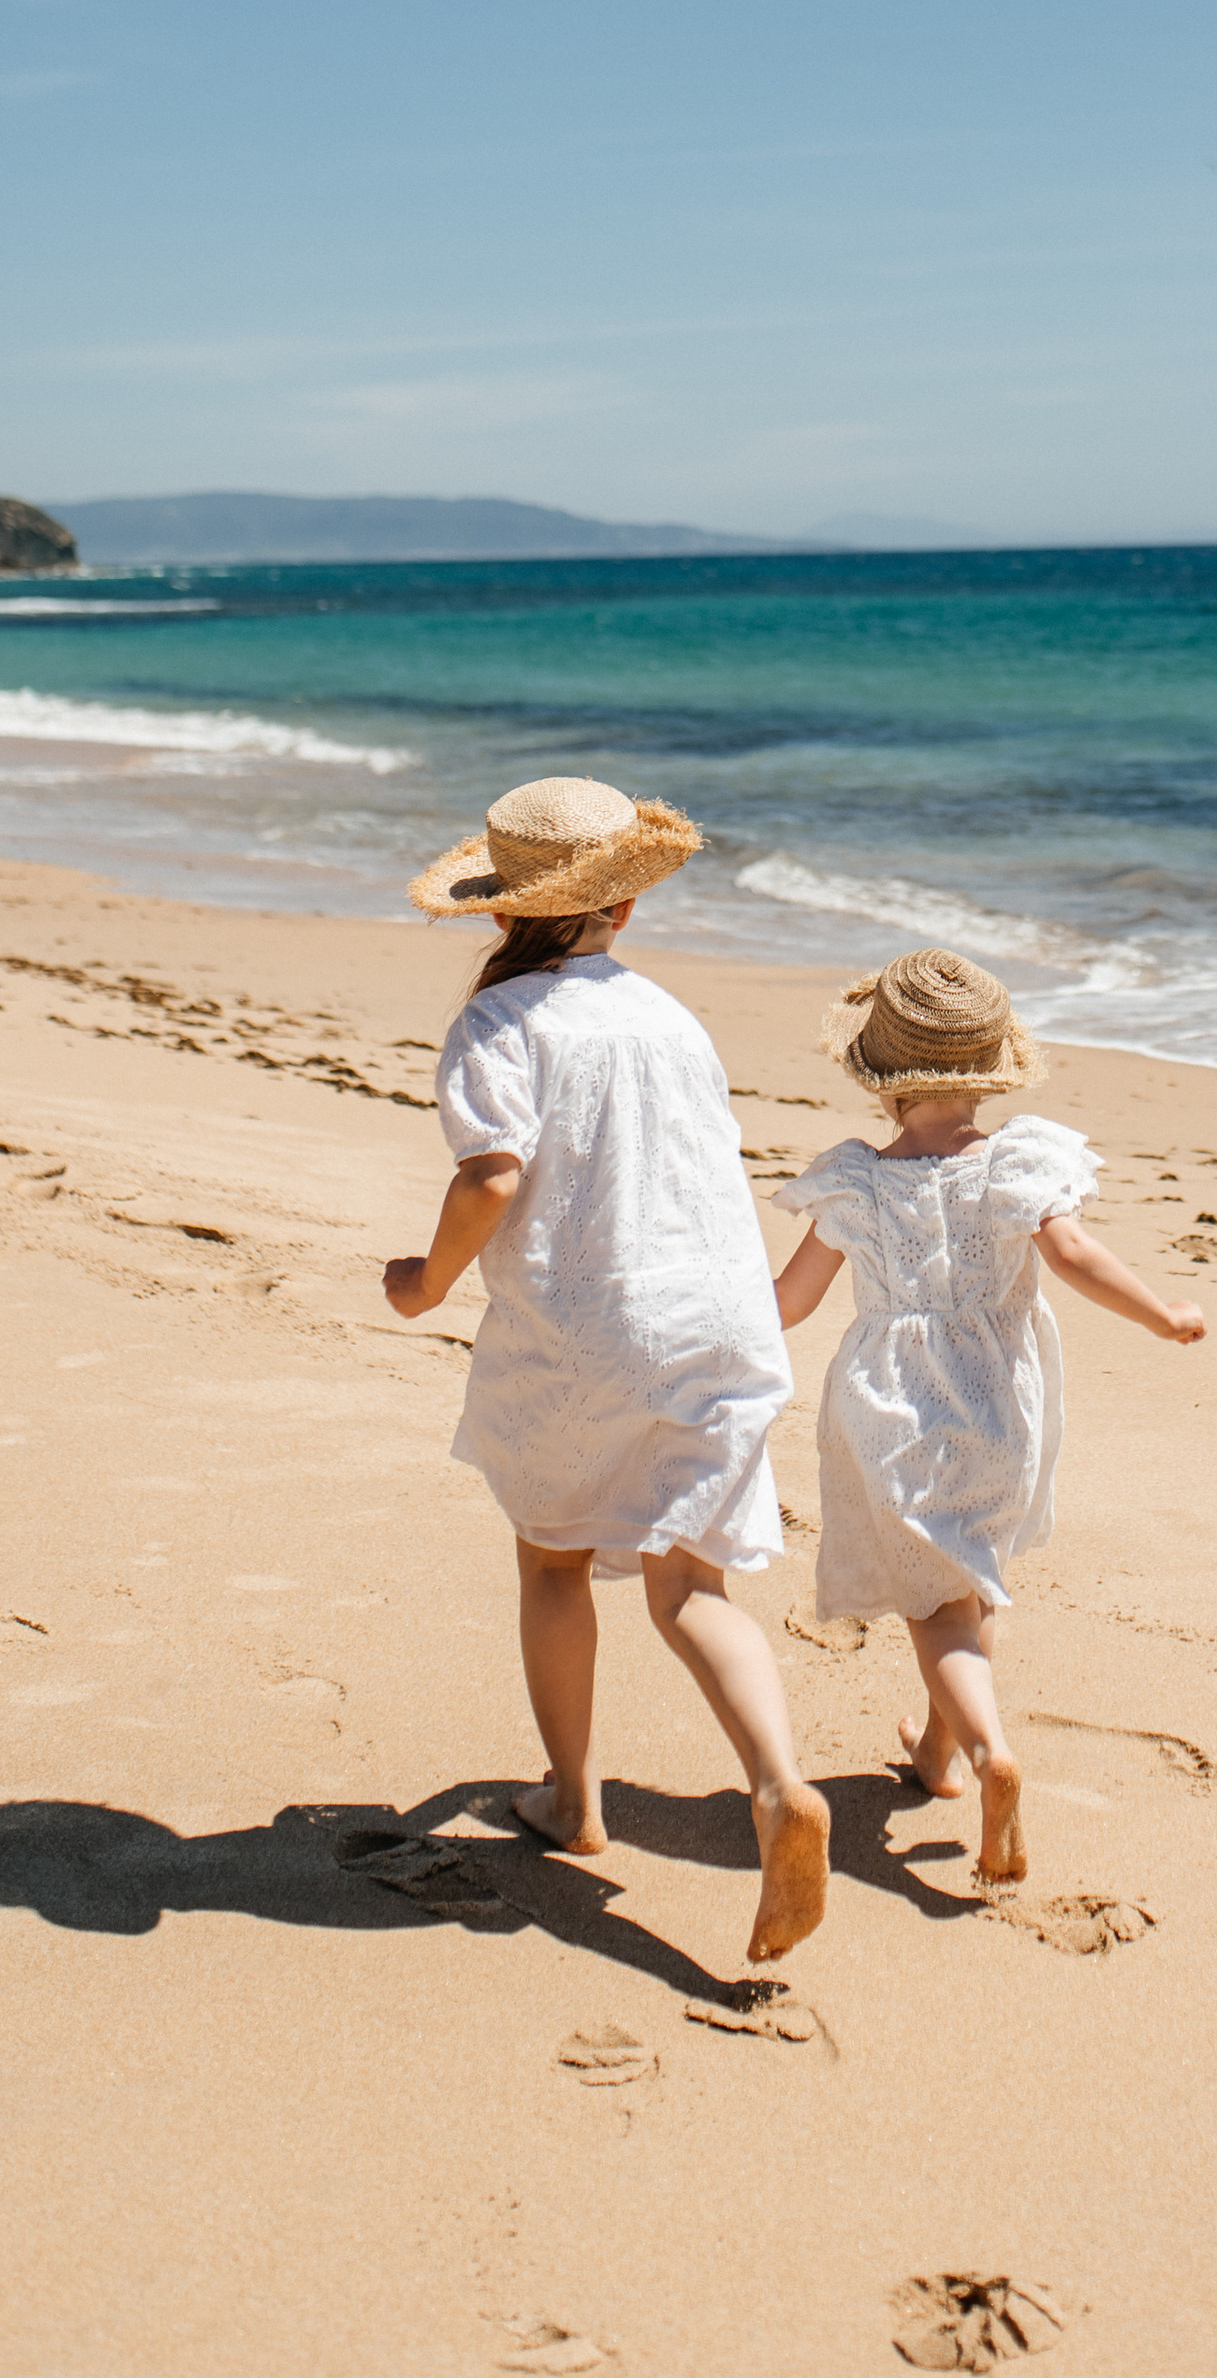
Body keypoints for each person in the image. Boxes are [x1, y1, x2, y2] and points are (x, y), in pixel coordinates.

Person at [382, 775, 828, 1967]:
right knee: (692, 1590)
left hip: (586, 1331)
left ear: (496, 909)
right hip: (716, 1320)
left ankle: (571, 1797)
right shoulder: (671, 1017)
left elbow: (492, 1176)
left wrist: (426, 1282)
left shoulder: (499, 1023)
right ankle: (778, 1784)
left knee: (554, 1561)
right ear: (622, 906)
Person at [771, 948, 1203, 1888]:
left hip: (893, 1410)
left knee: (935, 1605)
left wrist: (707, 1330)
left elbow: (791, 1302)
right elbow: (1075, 1254)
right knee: (968, 1575)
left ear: (880, 1078)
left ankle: (988, 1749)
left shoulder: (856, 1181)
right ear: (990, 1070)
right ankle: (939, 1756)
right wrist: (1160, 1314)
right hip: (1001, 1404)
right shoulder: (1016, 1162)